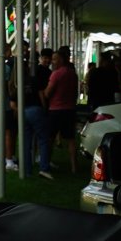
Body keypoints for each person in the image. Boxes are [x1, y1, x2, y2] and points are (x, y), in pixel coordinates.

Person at [43, 46, 79, 175]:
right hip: (70, 109)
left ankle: (46, 164)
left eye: (54, 59)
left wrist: (43, 92)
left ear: (61, 60)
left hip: (56, 110)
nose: (52, 62)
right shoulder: (73, 74)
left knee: (50, 138)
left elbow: (48, 93)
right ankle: (74, 167)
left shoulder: (56, 74)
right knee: (71, 140)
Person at [21, 51, 53, 179]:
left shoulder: (18, 82)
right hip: (36, 110)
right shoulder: (34, 79)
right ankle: (44, 168)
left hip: (23, 111)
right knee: (43, 140)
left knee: (26, 143)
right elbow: (41, 95)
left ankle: (27, 170)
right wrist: (44, 109)